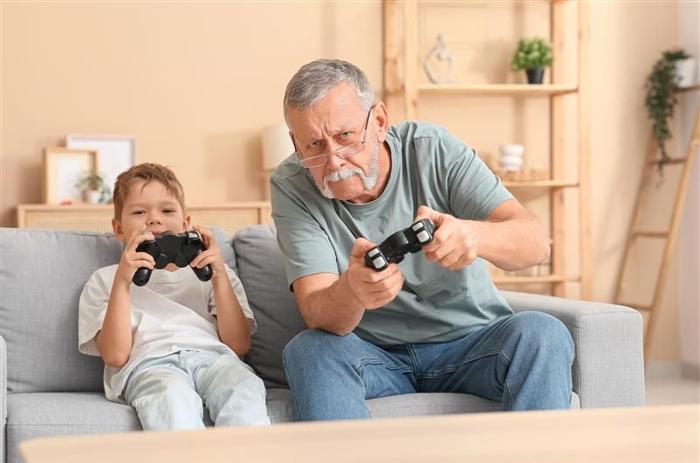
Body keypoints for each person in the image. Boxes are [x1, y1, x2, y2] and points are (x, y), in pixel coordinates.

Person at [271, 58, 574, 421]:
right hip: (373, 354)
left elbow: (536, 243)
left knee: (543, 334)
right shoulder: (291, 184)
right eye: (314, 146)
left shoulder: (432, 149)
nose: (333, 161)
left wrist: (473, 235)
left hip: (473, 343)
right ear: (295, 144)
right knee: (309, 351)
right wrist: (352, 291)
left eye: (345, 137)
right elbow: (316, 310)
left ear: (379, 121)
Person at [78, 163, 270, 430]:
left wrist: (218, 278)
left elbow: (238, 345)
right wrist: (123, 282)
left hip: (214, 359)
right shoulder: (105, 280)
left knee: (243, 387)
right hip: (149, 365)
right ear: (119, 228)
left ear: (185, 223)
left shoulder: (214, 273)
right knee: (171, 396)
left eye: (167, 210)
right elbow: (115, 356)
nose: (154, 219)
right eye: (139, 212)